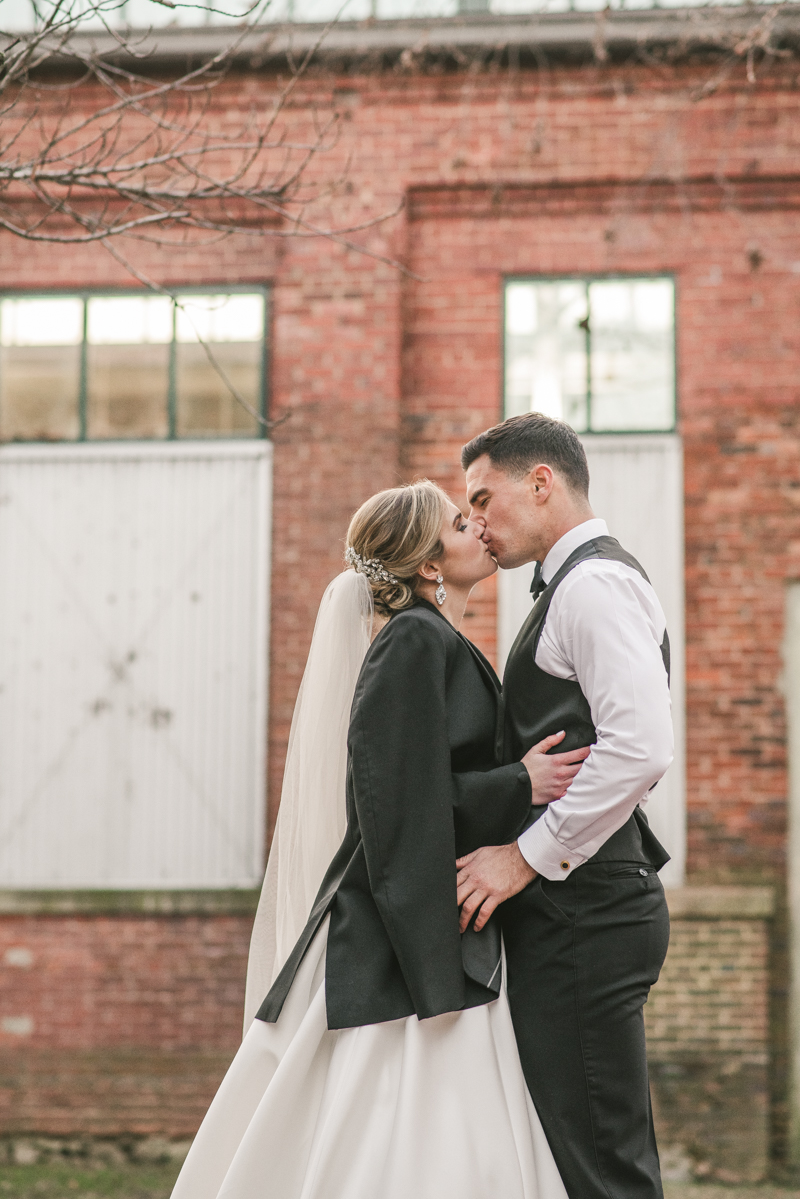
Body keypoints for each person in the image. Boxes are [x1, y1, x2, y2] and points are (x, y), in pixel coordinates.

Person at [170, 479, 587, 1199]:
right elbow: (394, 801)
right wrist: (520, 782)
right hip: (402, 934)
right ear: (430, 563)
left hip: (432, 914)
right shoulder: (412, 641)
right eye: (461, 522)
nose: (478, 528)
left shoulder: (437, 638)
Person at [456, 412, 674, 1199]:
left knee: (601, 1172)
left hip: (587, 915)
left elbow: (642, 746)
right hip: (578, 913)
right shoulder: (576, 586)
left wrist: (524, 857)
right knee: (577, 1159)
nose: (475, 522)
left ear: (540, 482)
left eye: (483, 499)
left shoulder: (595, 585)